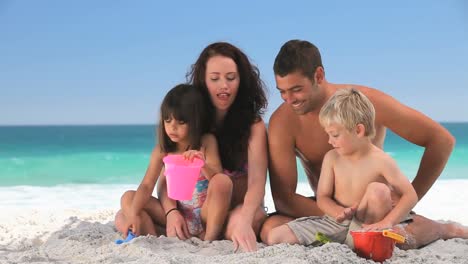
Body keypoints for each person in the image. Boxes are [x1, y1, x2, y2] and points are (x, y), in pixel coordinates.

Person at [261, 39, 468, 249]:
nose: (289, 99)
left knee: (394, 232)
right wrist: (340, 216)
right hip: (329, 211)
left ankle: (442, 229)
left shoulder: (363, 103)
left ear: (319, 76)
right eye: (282, 91)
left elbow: (441, 140)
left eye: (296, 89)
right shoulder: (283, 122)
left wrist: (402, 205)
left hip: (375, 208)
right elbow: (284, 199)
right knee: (270, 228)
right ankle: (353, 236)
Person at [266, 88, 418, 247]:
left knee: (379, 190)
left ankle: (362, 241)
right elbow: (323, 197)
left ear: (358, 130)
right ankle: (349, 243)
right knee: (275, 236)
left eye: (335, 135)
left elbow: (410, 195)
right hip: (335, 223)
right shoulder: (332, 158)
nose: (330, 141)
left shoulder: (382, 161)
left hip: (366, 224)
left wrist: (388, 221)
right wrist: (337, 211)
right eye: (328, 134)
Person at [114, 84, 233, 241]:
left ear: (195, 121)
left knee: (223, 181)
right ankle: (154, 238)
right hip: (177, 216)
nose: (172, 127)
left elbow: (217, 178)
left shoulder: (206, 142)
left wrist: (202, 164)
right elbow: (147, 185)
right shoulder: (162, 150)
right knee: (127, 199)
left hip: (204, 216)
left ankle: (209, 241)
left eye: (181, 122)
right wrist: (134, 214)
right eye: (168, 120)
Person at [184, 42, 268, 252]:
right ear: (203, 81)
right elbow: (165, 174)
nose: (224, 85)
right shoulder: (192, 122)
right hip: (203, 212)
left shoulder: (254, 125)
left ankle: (218, 233)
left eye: (231, 78)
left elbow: (257, 182)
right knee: (124, 216)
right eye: (215, 79)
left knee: (244, 223)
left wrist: (246, 219)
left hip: (241, 207)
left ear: (242, 80)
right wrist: (171, 214)